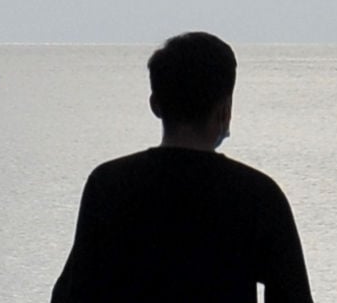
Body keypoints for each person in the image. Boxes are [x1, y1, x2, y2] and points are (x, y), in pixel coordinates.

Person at [50, 32, 312, 303]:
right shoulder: (259, 196)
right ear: (224, 110)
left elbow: (73, 294)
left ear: (155, 105)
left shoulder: (108, 185)